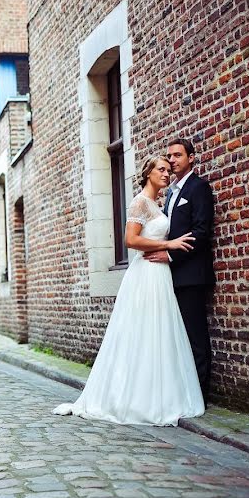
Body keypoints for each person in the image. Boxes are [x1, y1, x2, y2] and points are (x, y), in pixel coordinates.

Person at [53, 156, 205, 425]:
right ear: (148, 173)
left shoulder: (159, 203)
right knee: (142, 330)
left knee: (160, 332)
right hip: (145, 274)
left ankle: (161, 395)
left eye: (169, 171)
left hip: (160, 274)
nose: (167, 174)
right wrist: (169, 246)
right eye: (162, 170)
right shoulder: (139, 202)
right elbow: (130, 240)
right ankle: (133, 399)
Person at [145, 139, 215, 401]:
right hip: (170, 277)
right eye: (170, 156)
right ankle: (183, 390)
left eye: (178, 155)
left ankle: (200, 396)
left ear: (191, 158)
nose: (172, 160)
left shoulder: (199, 188)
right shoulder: (171, 193)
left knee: (195, 337)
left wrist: (170, 255)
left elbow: (200, 232)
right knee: (177, 337)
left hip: (191, 276)